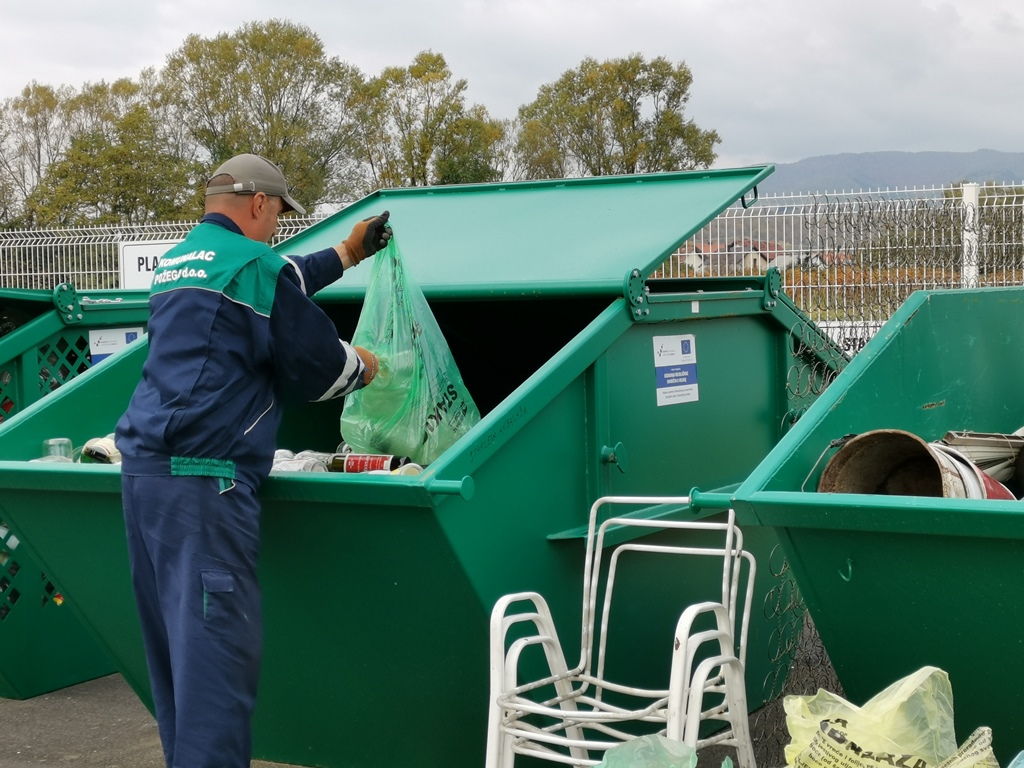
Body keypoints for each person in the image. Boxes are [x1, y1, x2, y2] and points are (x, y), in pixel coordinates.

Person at [114, 153, 392, 768]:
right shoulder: (255, 269)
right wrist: (367, 367)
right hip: (205, 491)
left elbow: (279, 275)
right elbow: (317, 368)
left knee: (178, 674)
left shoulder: (183, 261)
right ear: (260, 204)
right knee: (215, 672)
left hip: (145, 483)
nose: (277, 230)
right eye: (278, 217)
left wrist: (348, 253)